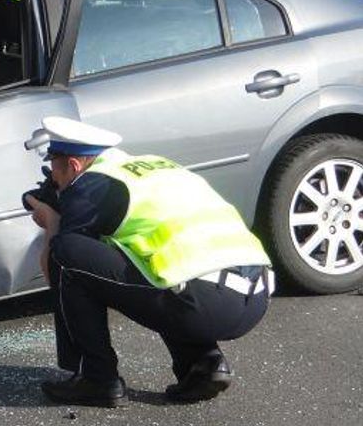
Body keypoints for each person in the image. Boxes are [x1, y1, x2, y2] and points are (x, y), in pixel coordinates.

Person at [22, 116, 273, 408]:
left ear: (74, 166)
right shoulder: (153, 165)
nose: (54, 177)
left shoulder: (90, 185)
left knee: (67, 252)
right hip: (256, 295)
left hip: (205, 304)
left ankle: (95, 378)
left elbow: (59, 268)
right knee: (157, 266)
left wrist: (52, 220)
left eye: (54, 166)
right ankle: (203, 363)